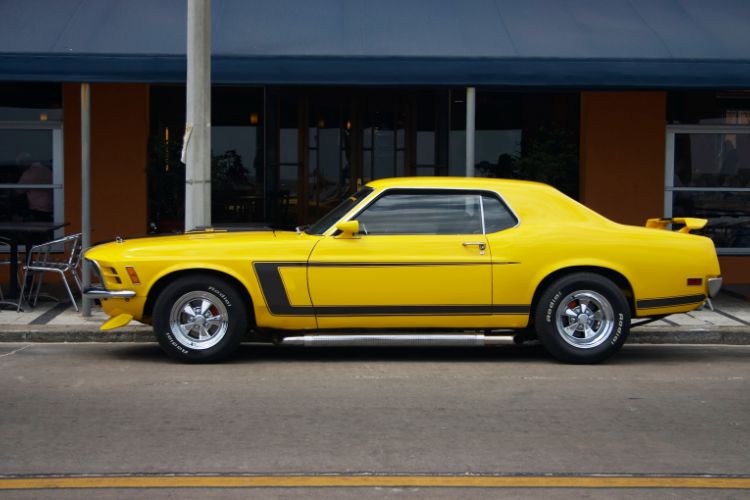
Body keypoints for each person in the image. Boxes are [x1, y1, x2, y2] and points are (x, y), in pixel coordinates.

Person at [16, 153, 53, 221]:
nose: (20, 167)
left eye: (20, 164)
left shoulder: (29, 173)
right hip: (50, 206)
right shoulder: (46, 169)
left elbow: (19, 190)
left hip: (38, 208)